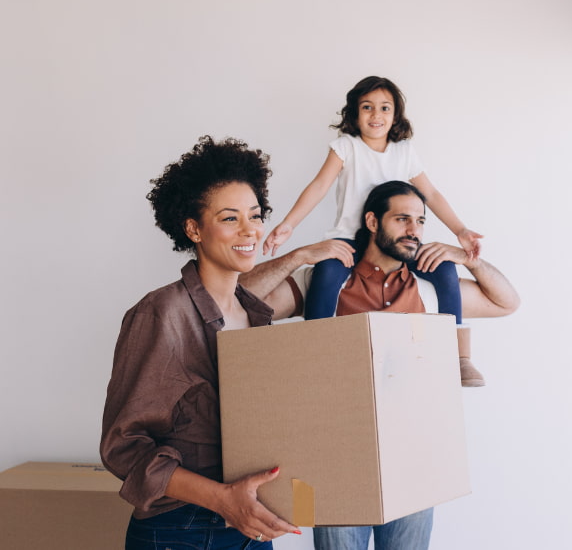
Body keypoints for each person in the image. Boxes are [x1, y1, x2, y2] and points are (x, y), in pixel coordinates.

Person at [100, 136, 354, 549]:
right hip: (180, 529)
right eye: (229, 218)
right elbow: (122, 448)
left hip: (249, 524)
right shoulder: (161, 314)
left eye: (255, 215)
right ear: (193, 229)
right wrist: (222, 499)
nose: (250, 230)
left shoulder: (254, 316)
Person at [240, 180, 520, 550]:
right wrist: (298, 257)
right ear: (372, 222)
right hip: (338, 458)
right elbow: (238, 301)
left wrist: (469, 259)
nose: (414, 230)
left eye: (420, 221)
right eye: (402, 219)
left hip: (415, 458)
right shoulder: (327, 282)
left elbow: (507, 303)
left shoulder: (429, 289)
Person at [261, 75, 488, 386]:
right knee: (326, 275)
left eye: (384, 108)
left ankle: (459, 357)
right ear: (355, 114)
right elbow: (319, 186)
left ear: (395, 116)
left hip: (396, 242)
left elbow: (431, 194)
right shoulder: (346, 147)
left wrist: (460, 230)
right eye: (367, 107)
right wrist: (288, 225)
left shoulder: (404, 151)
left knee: (445, 268)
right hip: (350, 240)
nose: (376, 115)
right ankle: (315, 352)